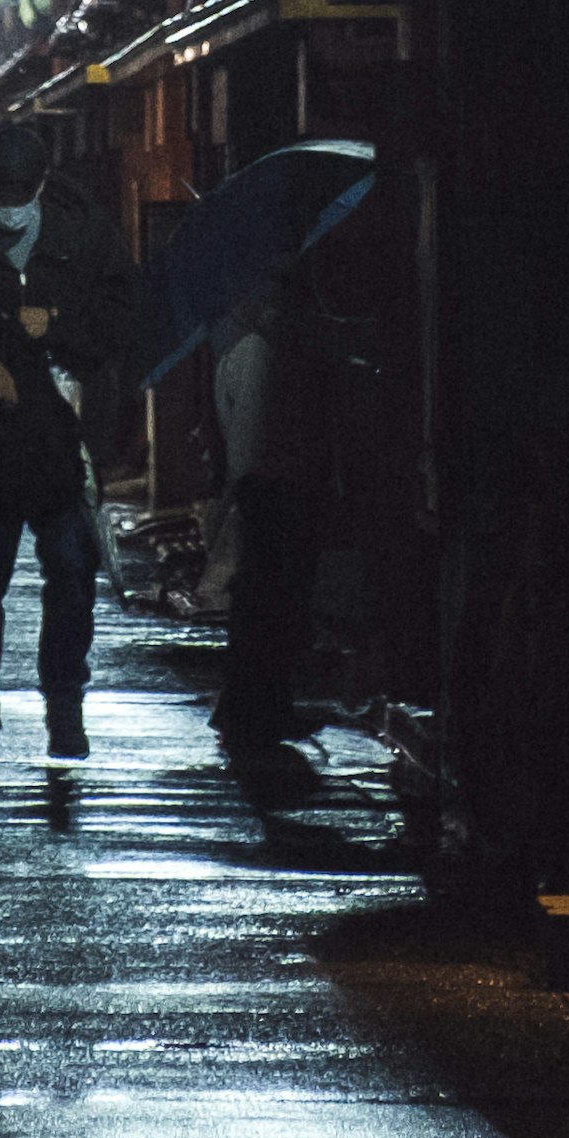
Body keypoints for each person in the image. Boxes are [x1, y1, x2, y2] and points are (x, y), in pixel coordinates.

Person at [0, 119, 139, 775]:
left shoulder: (83, 233)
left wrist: (59, 324)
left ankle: (64, 706)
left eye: (19, 190)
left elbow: (121, 320)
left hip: (61, 445)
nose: (7, 204)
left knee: (71, 573)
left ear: (39, 185)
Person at [209, 249, 334, 777]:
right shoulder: (263, 355)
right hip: (273, 491)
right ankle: (256, 708)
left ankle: (255, 706)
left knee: (265, 604)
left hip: (266, 488)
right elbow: (256, 437)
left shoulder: (250, 352)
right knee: (271, 604)